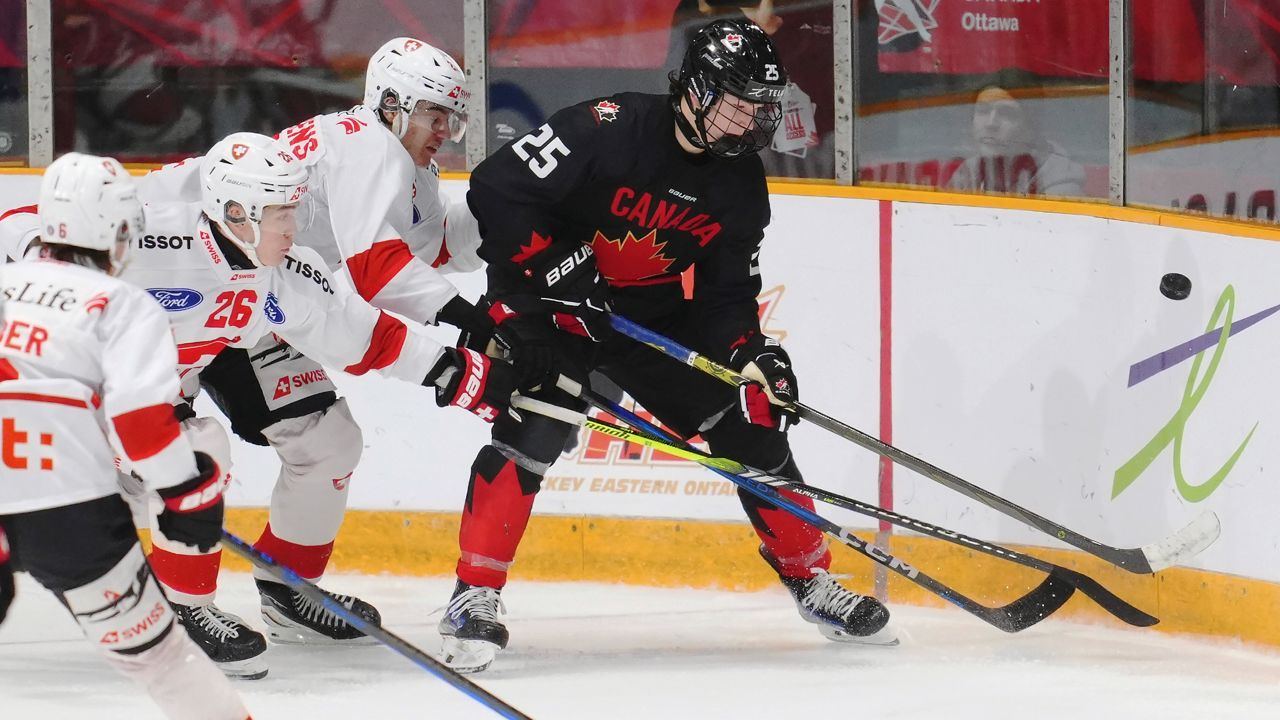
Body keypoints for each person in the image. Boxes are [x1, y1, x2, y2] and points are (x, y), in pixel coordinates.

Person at [436, 18, 894, 675]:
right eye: (740, 105)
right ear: (699, 91)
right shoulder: (607, 125)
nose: (753, 124)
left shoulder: (739, 184)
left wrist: (751, 355)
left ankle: (812, 580)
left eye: (761, 109)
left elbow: (724, 297)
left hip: (643, 313)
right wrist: (560, 269)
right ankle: (473, 596)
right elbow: (496, 189)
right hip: (552, 305)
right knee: (540, 422)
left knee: (750, 422)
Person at [0, 133, 518, 679]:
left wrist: (461, 374)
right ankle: (183, 609)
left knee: (329, 441)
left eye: (293, 210)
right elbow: (22, 226)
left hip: (208, 352)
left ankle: (287, 591)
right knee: (191, 452)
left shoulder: (284, 269)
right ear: (235, 213)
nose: (292, 227)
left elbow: (360, 334)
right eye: (279, 214)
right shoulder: (146, 241)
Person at [0, 153, 250, 719]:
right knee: (161, 662)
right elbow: (141, 423)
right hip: (65, 509)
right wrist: (186, 494)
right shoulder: (123, 304)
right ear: (118, 233)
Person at [945, 84, 1087, 198]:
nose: (990, 124)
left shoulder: (1060, 183)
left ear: (1030, 127)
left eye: (1006, 113)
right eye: (983, 111)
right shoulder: (968, 171)